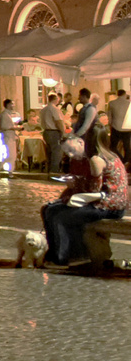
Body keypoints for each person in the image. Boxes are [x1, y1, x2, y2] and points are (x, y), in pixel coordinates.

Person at [40, 139, 130, 267]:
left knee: (61, 217)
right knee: (49, 209)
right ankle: (55, 254)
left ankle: (64, 258)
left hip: (108, 206)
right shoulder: (91, 158)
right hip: (99, 202)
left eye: (72, 150)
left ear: (81, 142)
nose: (70, 154)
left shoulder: (96, 159)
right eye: (67, 152)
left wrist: (75, 183)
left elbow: (94, 189)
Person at [38, 92, 68, 178]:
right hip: (54, 131)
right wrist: (63, 132)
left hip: (46, 131)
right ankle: (54, 171)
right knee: (56, 152)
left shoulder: (44, 109)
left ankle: (49, 169)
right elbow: (58, 121)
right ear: (55, 99)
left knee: (49, 152)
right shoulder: (54, 109)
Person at [110, 87, 131, 163]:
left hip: (116, 127)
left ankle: (120, 159)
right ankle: (126, 162)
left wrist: (110, 126)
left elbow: (109, 117)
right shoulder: (129, 104)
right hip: (127, 129)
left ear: (117, 95)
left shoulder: (112, 103)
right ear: (125, 95)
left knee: (112, 147)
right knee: (127, 147)